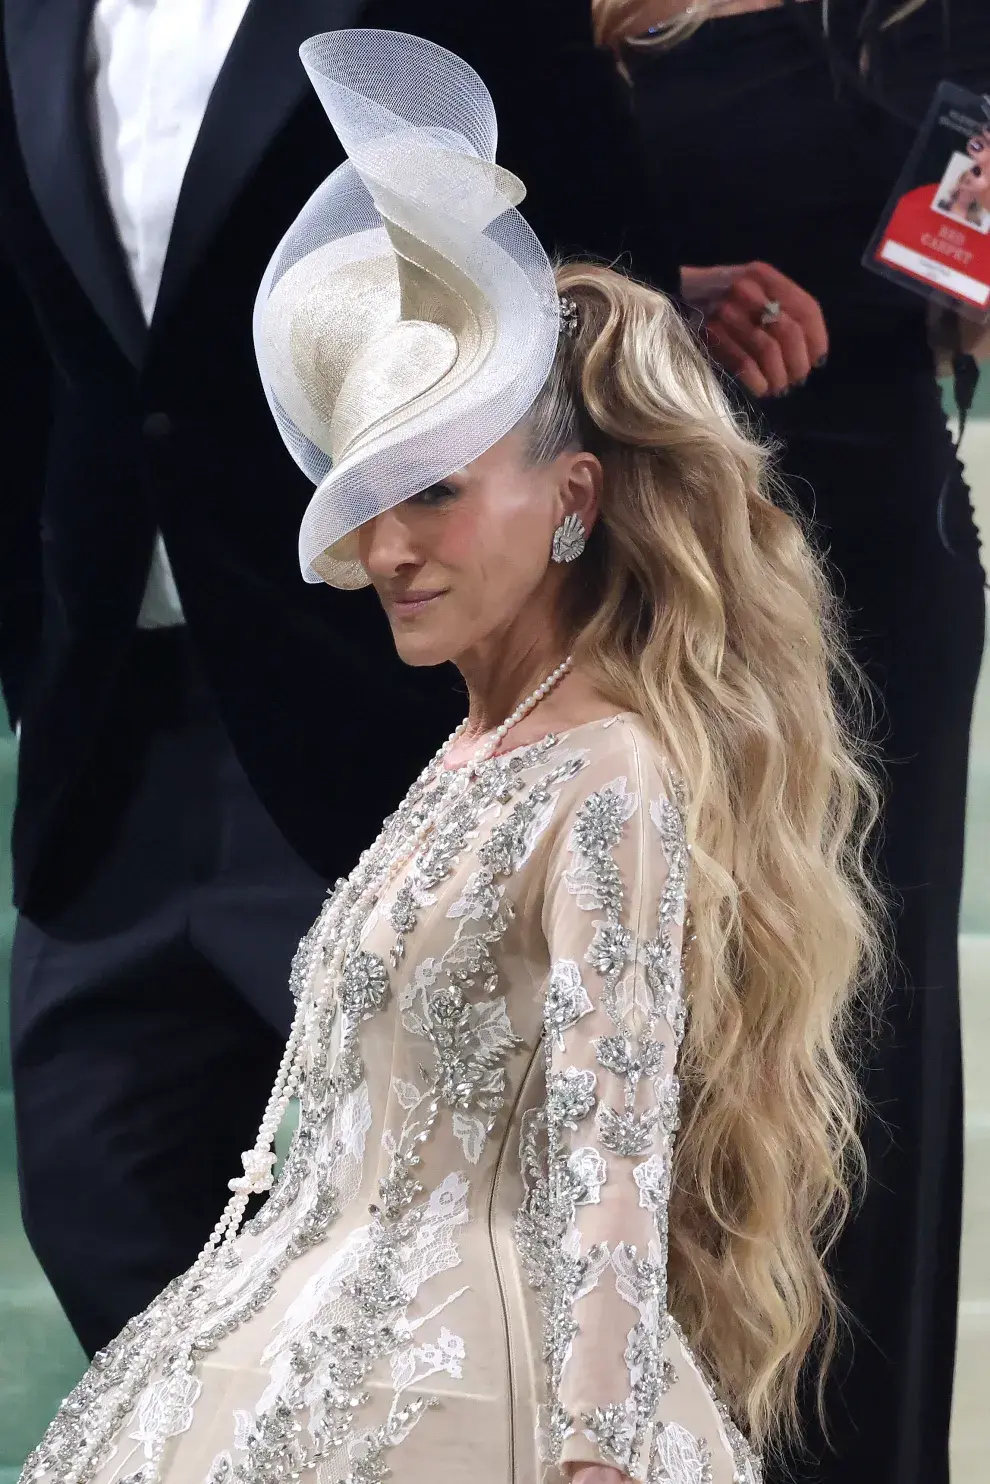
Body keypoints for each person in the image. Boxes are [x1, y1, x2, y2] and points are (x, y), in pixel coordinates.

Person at [21, 29, 880, 1484]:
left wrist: (598, 1453)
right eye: (367, 501)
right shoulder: (466, 763)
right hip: (116, 748)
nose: (386, 548)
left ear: (570, 496)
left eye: (431, 493)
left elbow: (609, 1158)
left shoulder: (601, 779)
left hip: (489, 1386)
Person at [0, 0, 668, 1361]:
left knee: (449, 1294)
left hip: (404, 714)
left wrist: (563, 673)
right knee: (110, 1237)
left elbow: (589, 282)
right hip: (106, 743)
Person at [590, 3, 988, 1483]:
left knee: (857, 1048)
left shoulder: (926, 18)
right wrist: (647, 306)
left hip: (866, 565)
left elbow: (960, 280)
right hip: (622, 561)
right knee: (635, 1044)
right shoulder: (553, 28)